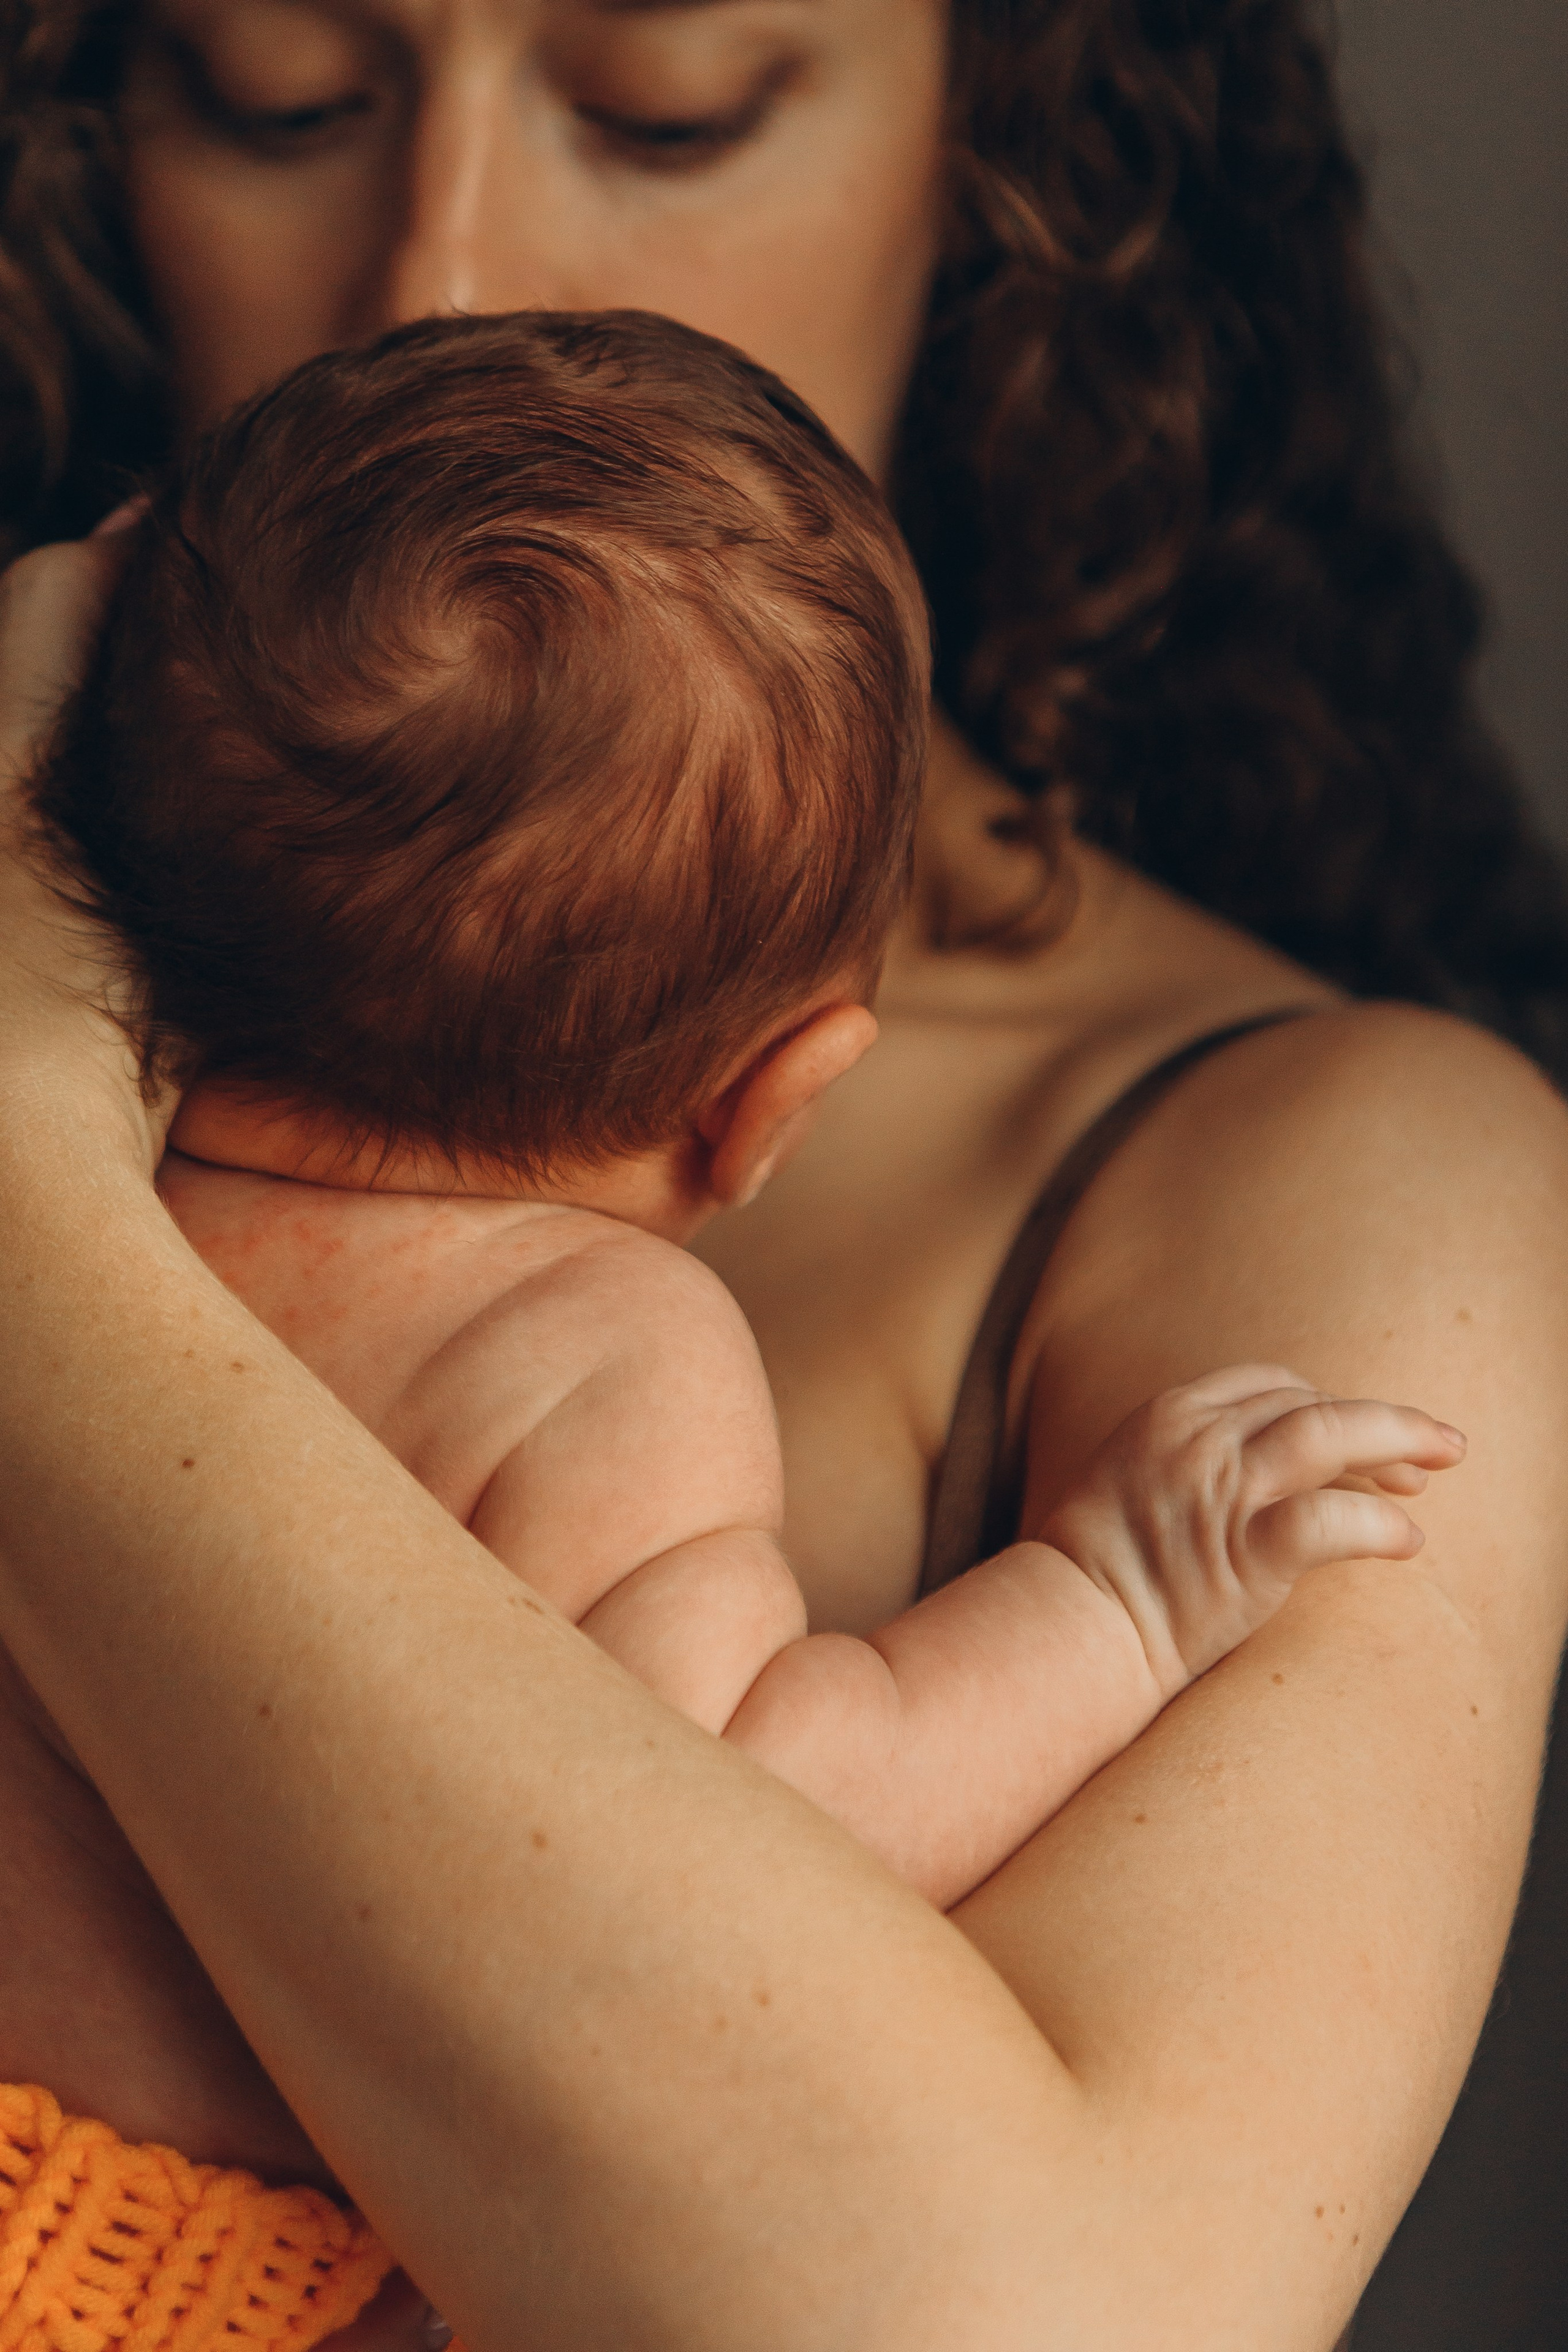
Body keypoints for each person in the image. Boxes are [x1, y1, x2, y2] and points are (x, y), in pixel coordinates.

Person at [1, 4, 1566, 2348]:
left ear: (1022, 182)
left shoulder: (1313, 1159)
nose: (440, 274)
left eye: (666, 111)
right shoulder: (612, 1347)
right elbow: (794, 1782)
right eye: (278, 93)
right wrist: (1118, 1605)